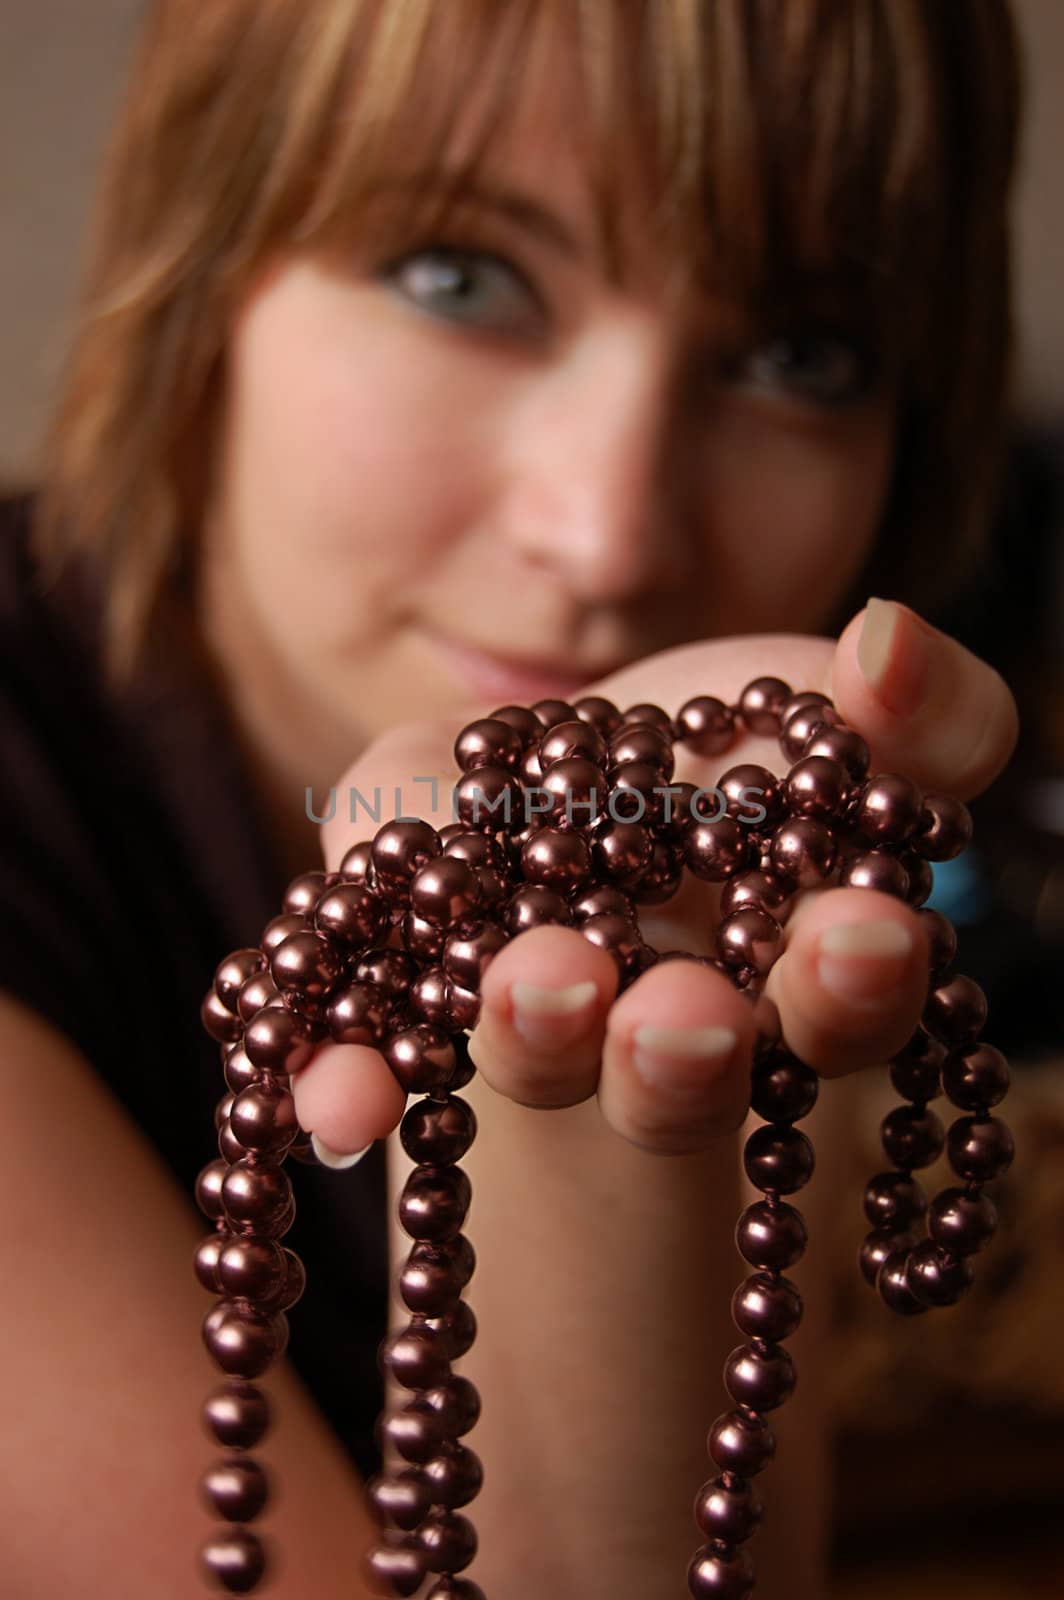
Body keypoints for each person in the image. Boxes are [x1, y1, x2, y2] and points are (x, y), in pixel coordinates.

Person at [0, 1, 1022, 1595]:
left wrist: (700, 1010)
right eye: (460, 279)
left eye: (799, 356)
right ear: (207, 261)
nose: (610, 535)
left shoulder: (749, 842)